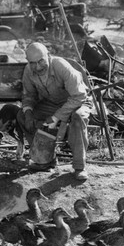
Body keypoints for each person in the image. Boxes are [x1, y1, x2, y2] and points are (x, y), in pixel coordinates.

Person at [17, 42, 92, 181]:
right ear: (28, 61)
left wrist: (56, 117)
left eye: (41, 61)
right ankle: (45, 160)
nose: (38, 67)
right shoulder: (28, 70)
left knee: (78, 118)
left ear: (48, 56)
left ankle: (79, 167)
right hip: (52, 103)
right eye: (33, 63)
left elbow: (79, 96)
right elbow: (29, 96)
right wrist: (28, 114)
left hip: (77, 101)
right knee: (22, 116)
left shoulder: (61, 66)